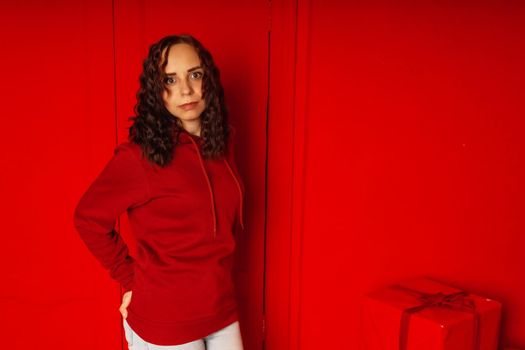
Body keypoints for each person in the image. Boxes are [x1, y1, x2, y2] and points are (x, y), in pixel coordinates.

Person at [73, 34, 245, 350]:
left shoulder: (223, 145)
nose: (186, 89)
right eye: (170, 79)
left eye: (195, 74)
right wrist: (129, 278)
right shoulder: (140, 157)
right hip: (165, 320)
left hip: (221, 311)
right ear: (157, 91)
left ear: (209, 79)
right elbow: (88, 218)